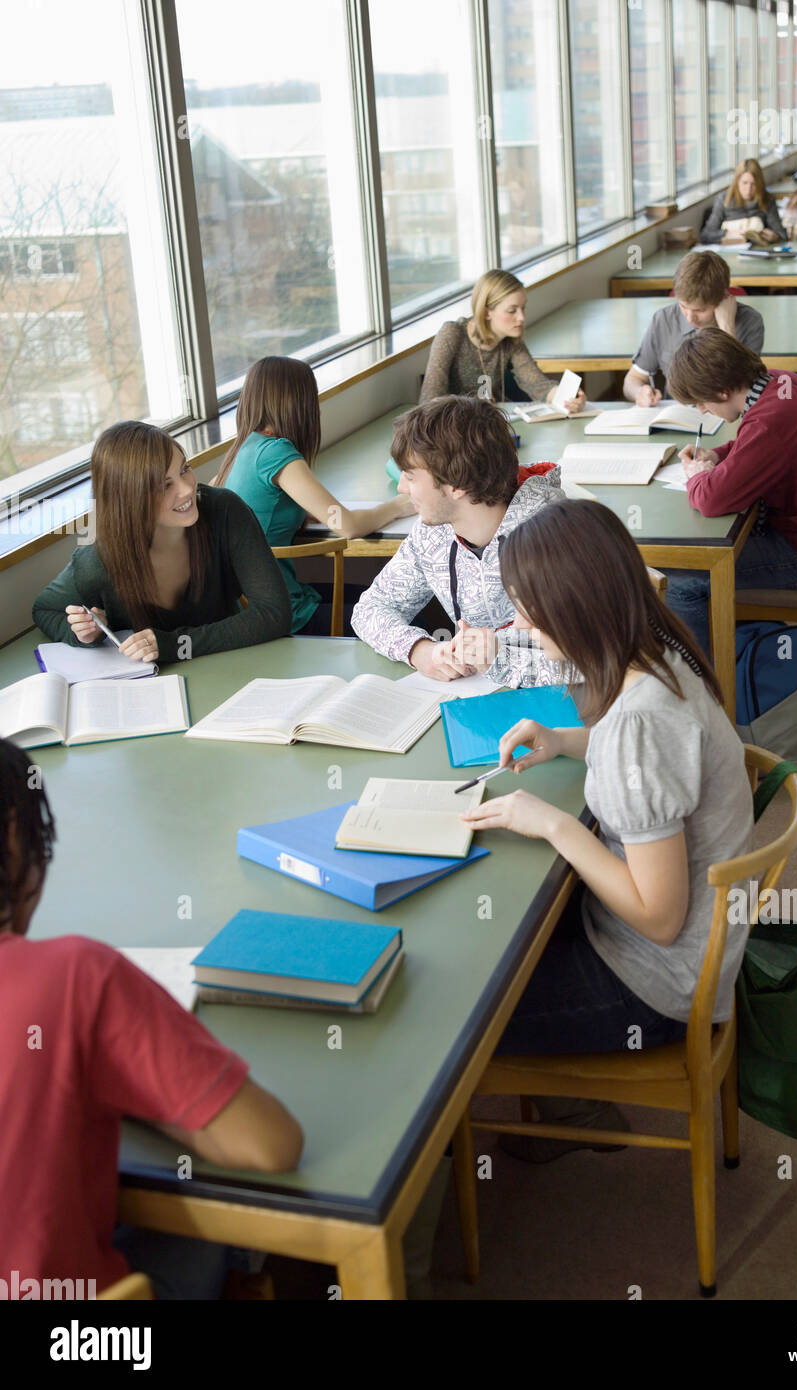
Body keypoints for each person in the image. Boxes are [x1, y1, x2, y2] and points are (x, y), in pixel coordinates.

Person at [459, 500, 753, 1161]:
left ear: (576, 606)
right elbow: (657, 757)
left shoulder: (636, 724)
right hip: (685, 951)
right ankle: (568, 1104)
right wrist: (567, 741)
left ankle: (539, 1121)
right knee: (501, 937)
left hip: (655, 983)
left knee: (451, 1018)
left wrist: (555, 824)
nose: (521, 626)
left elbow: (658, 917)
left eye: (529, 611)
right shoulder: (660, 654)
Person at [0, 736, 303, 1298]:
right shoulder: (75, 978)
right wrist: (120, 1083)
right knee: (202, 1224)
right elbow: (270, 1145)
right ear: (19, 839)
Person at [661, 328, 797, 658]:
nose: (701, 410)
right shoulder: (780, 382)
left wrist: (697, 476)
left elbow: (712, 499)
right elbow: (755, 446)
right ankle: (740, 651)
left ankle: (707, 688)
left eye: (701, 402)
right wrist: (718, 455)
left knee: (680, 583)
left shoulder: (771, 422)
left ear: (722, 390)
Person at [351, 395, 566, 686]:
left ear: (458, 486)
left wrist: (497, 660)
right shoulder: (432, 532)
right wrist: (420, 651)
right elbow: (370, 609)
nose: (401, 487)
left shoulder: (556, 537)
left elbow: (595, 663)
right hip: (478, 701)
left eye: (411, 477)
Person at [33, 422, 291, 664]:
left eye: (184, 469)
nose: (187, 489)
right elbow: (45, 610)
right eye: (165, 485)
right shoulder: (98, 560)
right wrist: (87, 633)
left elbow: (274, 613)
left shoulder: (224, 510)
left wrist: (177, 645)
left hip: (232, 671)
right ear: (129, 500)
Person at [214, 357, 415, 635]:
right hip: (284, 614)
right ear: (301, 404)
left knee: (386, 602)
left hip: (253, 607)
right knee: (409, 619)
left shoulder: (243, 450)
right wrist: (401, 505)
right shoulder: (276, 452)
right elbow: (348, 526)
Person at [419, 269, 587, 411]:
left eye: (523, 308)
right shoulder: (452, 334)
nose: (521, 317)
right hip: (453, 429)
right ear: (486, 312)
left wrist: (569, 398)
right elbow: (429, 401)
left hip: (492, 423)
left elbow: (537, 384)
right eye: (512, 310)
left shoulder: (511, 339)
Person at [623, 250, 764, 405]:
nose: (690, 317)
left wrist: (727, 328)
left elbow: (740, 389)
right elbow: (633, 379)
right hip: (677, 416)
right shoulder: (663, 319)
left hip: (726, 415)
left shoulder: (750, 321)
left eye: (700, 310)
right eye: (683, 306)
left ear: (723, 299)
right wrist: (639, 392)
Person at [699, 159, 786, 245]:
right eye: (744, 183)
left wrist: (775, 237)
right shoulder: (724, 199)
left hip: (758, 252)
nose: (748, 189)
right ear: (737, 182)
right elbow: (706, 235)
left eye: (753, 184)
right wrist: (727, 234)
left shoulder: (767, 199)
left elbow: (782, 235)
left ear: (759, 184)